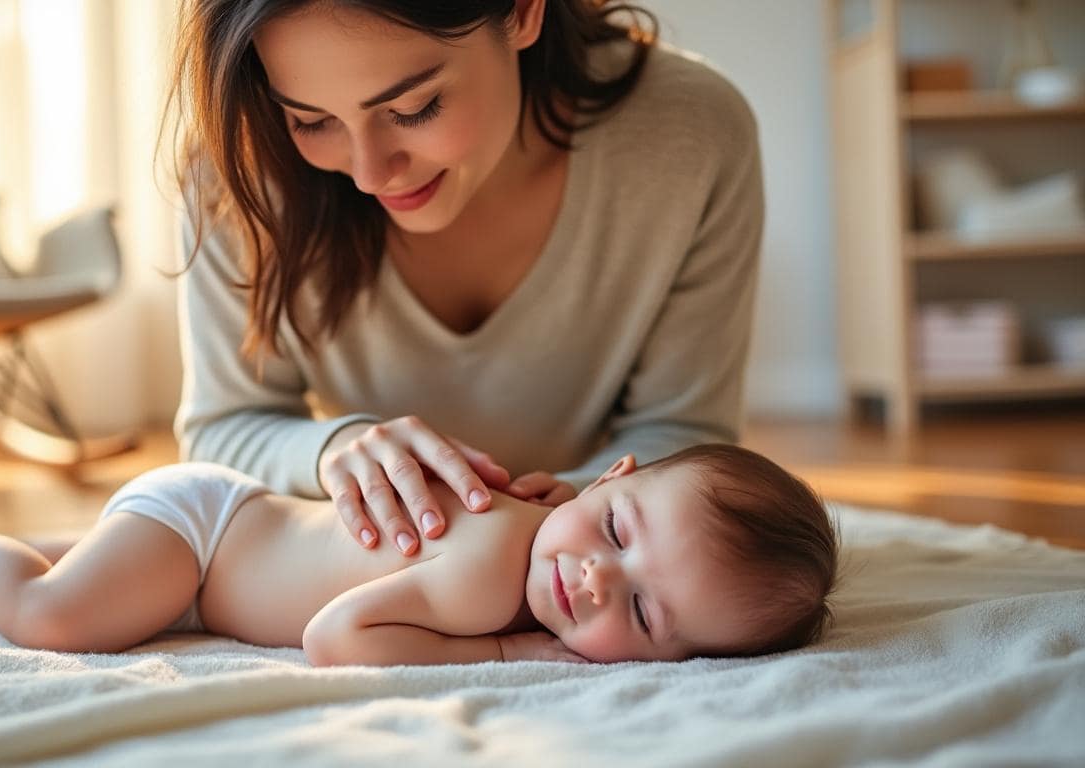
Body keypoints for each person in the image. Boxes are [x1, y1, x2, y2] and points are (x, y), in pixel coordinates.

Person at [168, 0, 765, 558]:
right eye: (312, 120)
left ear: (523, 11)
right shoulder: (238, 168)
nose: (371, 174)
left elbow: (686, 434)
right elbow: (223, 425)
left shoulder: (692, 136)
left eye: (413, 108)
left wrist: (565, 514)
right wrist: (333, 451)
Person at [0, 444, 837, 665]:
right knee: (56, 618)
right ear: (612, 477)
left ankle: (68, 546)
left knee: (111, 585)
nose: (595, 581)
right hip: (203, 537)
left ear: (675, 661)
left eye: (647, 615)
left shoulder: (549, 516)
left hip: (211, 563)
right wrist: (500, 657)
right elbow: (332, 636)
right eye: (615, 534)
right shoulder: (495, 572)